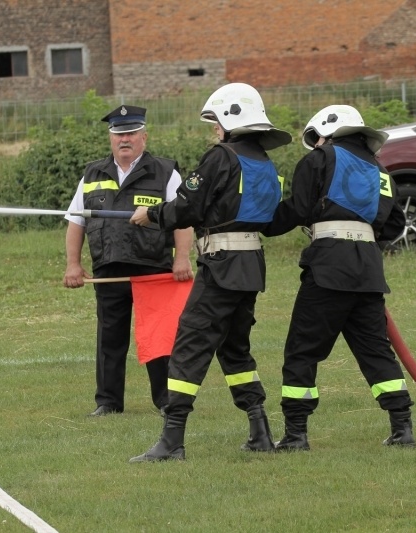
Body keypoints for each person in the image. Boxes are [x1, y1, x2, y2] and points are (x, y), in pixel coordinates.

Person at [128, 82, 292, 462]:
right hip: (251, 268)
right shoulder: (264, 163)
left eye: (215, 122)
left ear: (232, 119)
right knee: (235, 349)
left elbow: (187, 206)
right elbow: (268, 218)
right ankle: (260, 430)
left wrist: (152, 214)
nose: (213, 131)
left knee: (189, 346)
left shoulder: (221, 157)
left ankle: (171, 440)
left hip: (220, 266)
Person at [261, 104, 415, 450]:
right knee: (376, 352)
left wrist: (263, 224)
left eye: (315, 138)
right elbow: (393, 225)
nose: (315, 144)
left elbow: (297, 208)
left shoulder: (318, 160)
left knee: (302, 352)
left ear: (326, 132)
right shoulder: (381, 172)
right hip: (369, 272)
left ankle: (296, 434)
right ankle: (402, 429)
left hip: (329, 268)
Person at [63, 104, 194, 417]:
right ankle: (108, 402)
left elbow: (184, 219)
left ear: (144, 137)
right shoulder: (92, 174)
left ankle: (165, 401)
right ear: (110, 139)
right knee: (110, 337)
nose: (125, 139)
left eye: (131, 133)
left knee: (158, 337)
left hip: (153, 269)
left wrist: (183, 259)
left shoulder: (165, 172)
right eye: (119, 134)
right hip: (108, 267)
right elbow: (75, 222)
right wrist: (73, 264)